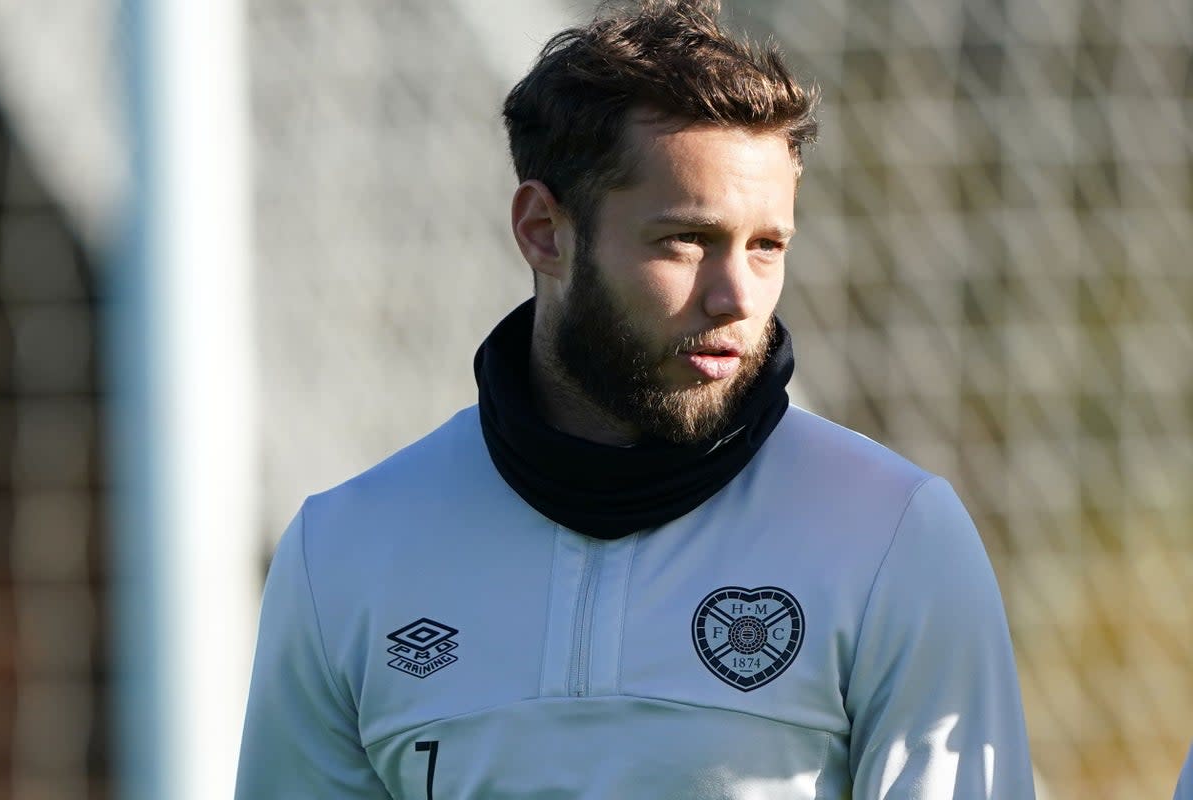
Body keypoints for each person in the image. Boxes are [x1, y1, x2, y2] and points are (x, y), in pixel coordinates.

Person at [235, 1, 1035, 797]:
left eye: (765, 246)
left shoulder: (891, 534)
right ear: (544, 231)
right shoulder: (345, 550)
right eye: (684, 240)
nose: (735, 297)